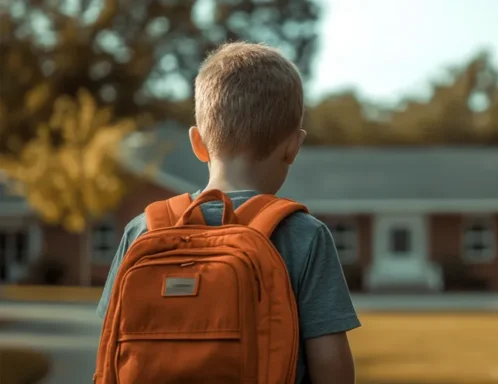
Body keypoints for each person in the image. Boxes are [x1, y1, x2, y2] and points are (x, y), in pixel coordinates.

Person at [96, 42, 360, 384]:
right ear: (294, 146)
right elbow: (331, 364)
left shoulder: (144, 229)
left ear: (197, 143)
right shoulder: (302, 235)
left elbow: (109, 341)